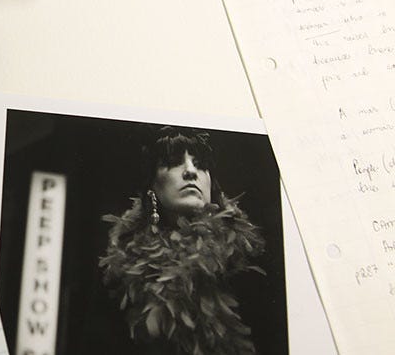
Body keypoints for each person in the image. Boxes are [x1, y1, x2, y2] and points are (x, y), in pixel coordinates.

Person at [93, 131, 267, 354]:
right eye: (174, 163)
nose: (191, 171)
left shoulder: (245, 255)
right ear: (152, 186)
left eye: (201, 164)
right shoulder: (120, 270)